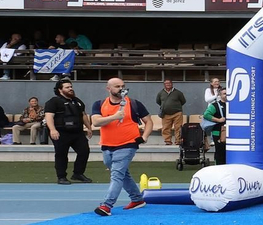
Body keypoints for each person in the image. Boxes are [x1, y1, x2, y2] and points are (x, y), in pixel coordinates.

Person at [90, 78, 151, 216]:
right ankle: (137, 199)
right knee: (122, 174)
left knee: (117, 174)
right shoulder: (100, 104)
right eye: (117, 86)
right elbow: (96, 122)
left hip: (128, 143)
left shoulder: (134, 103)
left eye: (123, 86)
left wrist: (145, 136)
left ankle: (106, 205)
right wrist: (114, 117)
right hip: (107, 145)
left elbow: (149, 121)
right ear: (109, 89)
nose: (121, 88)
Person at [44, 78, 92, 185]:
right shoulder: (53, 102)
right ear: (60, 90)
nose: (70, 89)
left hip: (77, 132)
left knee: (84, 151)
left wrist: (89, 128)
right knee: (61, 154)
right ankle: (61, 176)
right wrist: (52, 130)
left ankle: (78, 173)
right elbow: (49, 116)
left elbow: (83, 115)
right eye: (67, 87)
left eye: (71, 87)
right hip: (61, 132)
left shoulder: (77, 101)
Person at [202, 83, 228, 165]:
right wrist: (218, 120)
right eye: (224, 94)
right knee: (220, 151)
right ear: (220, 95)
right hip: (218, 132)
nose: (226, 95)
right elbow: (206, 115)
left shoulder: (234, 104)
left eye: (228, 94)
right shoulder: (215, 105)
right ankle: (218, 167)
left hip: (231, 132)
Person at [155, 78, 186, 146]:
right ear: (164, 85)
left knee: (178, 127)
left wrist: (175, 106)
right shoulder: (160, 93)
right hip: (165, 114)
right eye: (166, 83)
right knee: (166, 128)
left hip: (177, 113)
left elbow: (183, 101)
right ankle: (167, 141)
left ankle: (178, 141)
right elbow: (158, 101)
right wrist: (165, 106)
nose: (168, 84)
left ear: (172, 84)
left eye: (169, 83)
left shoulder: (178, 92)